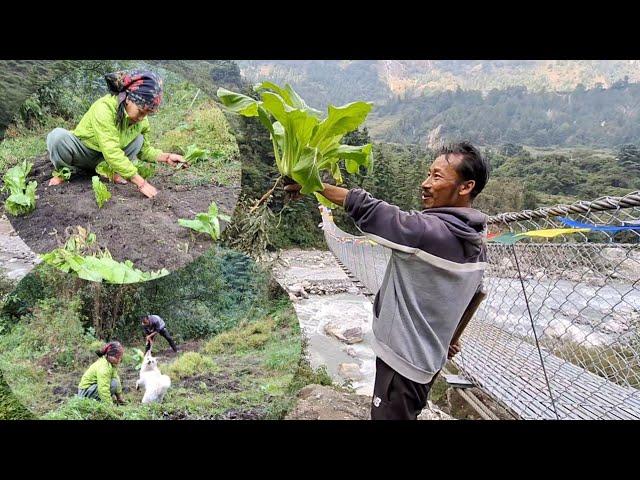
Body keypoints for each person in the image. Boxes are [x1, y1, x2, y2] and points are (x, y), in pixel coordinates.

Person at [285, 141, 490, 420]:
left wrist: (313, 184)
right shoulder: (477, 238)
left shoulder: (430, 233)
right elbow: (476, 294)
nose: (426, 183)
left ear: (466, 187)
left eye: (437, 177)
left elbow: (372, 211)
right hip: (428, 360)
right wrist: (451, 339)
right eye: (428, 173)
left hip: (402, 363)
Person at [45, 69, 187, 198]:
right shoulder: (104, 108)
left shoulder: (141, 121)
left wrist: (166, 157)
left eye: (147, 114)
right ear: (128, 98)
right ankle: (64, 172)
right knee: (57, 137)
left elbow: (144, 150)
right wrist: (141, 183)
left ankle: (113, 172)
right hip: (84, 153)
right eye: (140, 111)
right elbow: (111, 150)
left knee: (139, 139)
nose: (142, 118)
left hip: (106, 161)